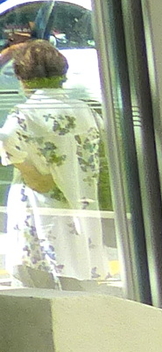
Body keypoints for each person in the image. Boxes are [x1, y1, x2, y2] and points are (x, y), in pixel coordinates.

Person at [0, 39, 103, 287]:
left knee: (38, 283)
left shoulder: (24, 115)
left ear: (22, 79)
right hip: (81, 205)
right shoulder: (85, 111)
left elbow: (6, 143)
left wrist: (31, 172)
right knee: (77, 282)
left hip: (38, 208)